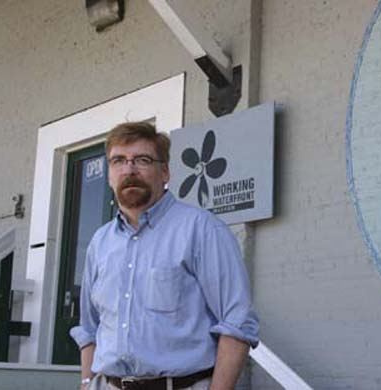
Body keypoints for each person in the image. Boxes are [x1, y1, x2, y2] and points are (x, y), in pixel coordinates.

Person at [70, 121, 259, 390]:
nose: (129, 169)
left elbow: (238, 321)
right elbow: (90, 329)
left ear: (166, 172)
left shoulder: (201, 229)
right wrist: (87, 383)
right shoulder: (99, 243)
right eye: (118, 161)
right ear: (110, 174)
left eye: (142, 160)